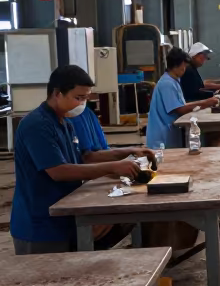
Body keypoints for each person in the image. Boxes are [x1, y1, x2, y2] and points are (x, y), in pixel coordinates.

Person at [10, 66, 152, 254]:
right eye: (78, 98)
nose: (82, 104)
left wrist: (129, 151)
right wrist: (114, 167)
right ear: (57, 93)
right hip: (40, 225)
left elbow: (85, 157)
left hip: (65, 214)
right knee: (49, 280)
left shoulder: (64, 123)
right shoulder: (36, 125)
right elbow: (59, 171)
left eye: (85, 98)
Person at [147, 48, 220, 150]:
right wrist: (206, 103)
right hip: (162, 137)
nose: (185, 69)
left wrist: (204, 103)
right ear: (178, 64)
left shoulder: (174, 81)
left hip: (169, 132)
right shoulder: (167, 83)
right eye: (184, 66)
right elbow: (179, 108)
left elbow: (182, 104)